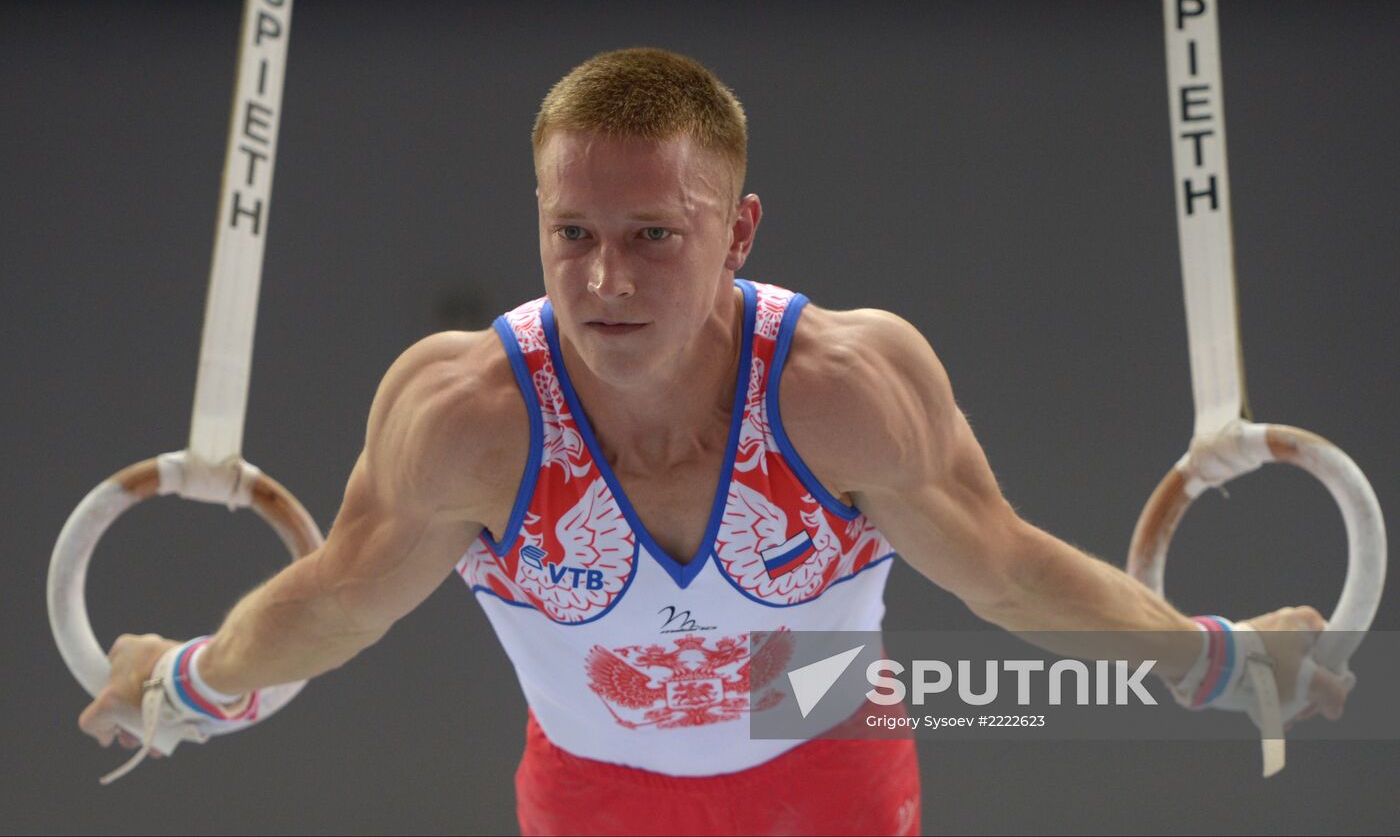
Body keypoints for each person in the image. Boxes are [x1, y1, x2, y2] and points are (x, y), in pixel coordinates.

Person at [80, 48, 1351, 836]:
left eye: (652, 233)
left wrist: (1214, 659)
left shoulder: (840, 388)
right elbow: (338, 603)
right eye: (571, 231)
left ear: (738, 231)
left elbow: (1005, 569)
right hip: (592, 791)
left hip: (830, 764)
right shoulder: (468, 414)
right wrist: (192, 679)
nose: (603, 277)